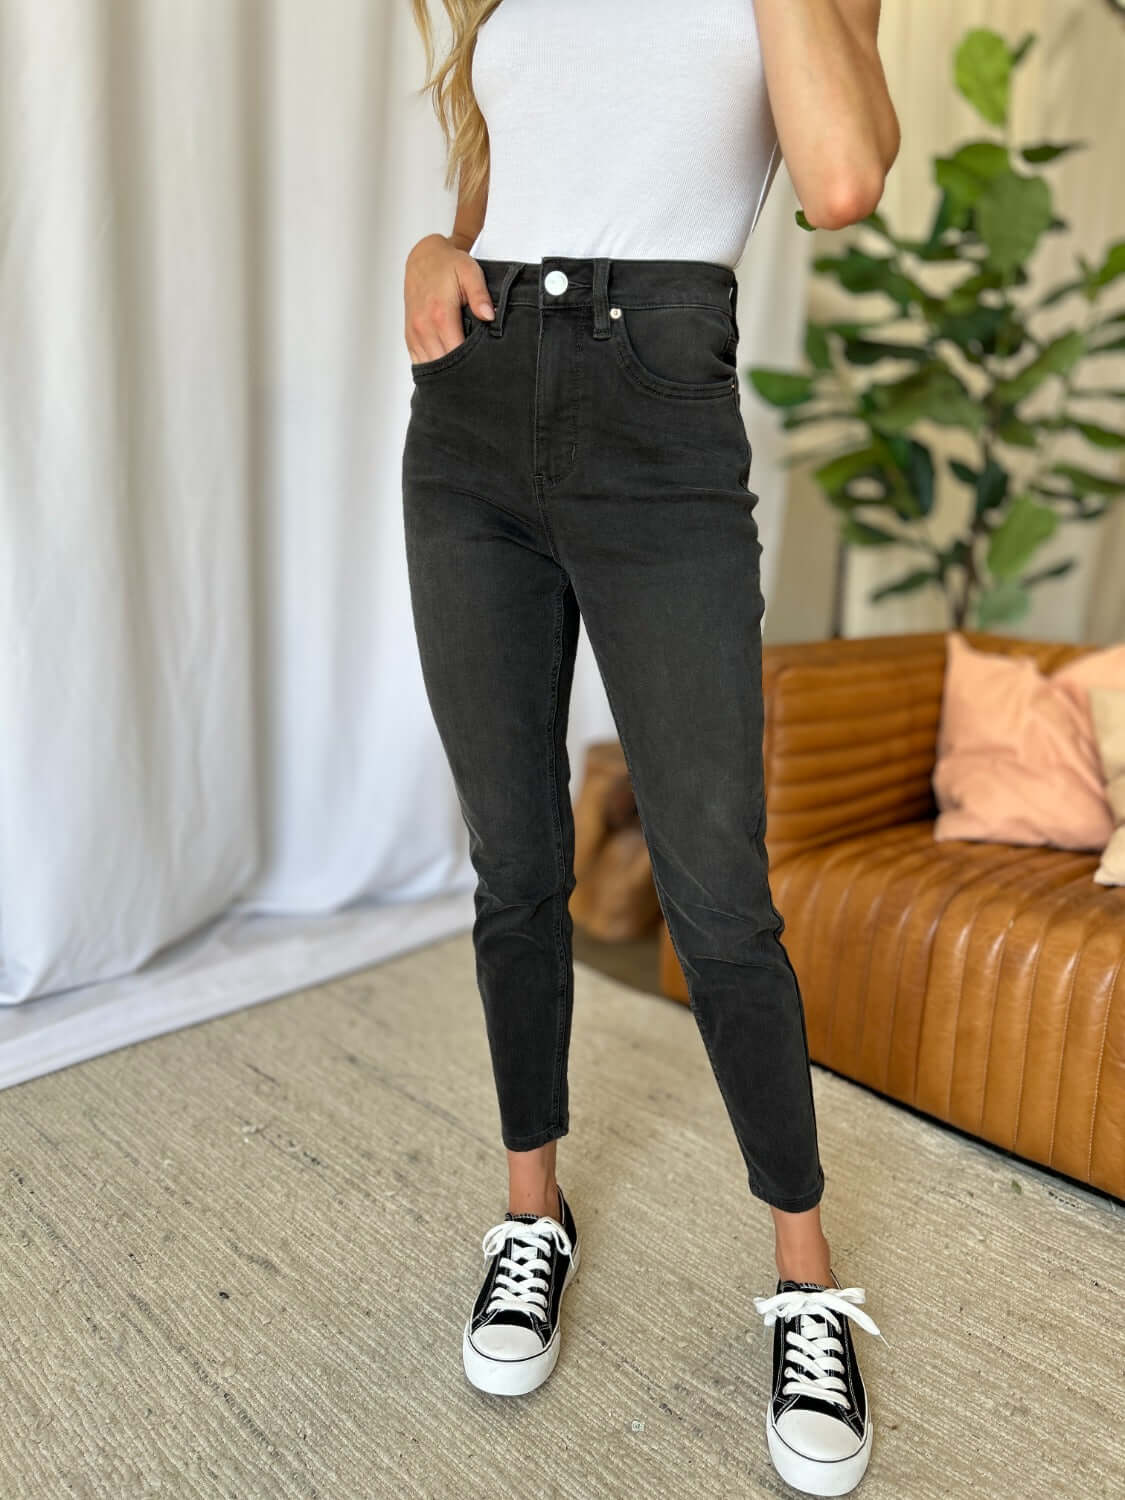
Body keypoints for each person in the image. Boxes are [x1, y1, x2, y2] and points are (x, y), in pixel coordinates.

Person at [402, 1, 899, 1493]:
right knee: (512, 860)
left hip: (657, 408)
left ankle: (806, 1287)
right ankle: (528, 1215)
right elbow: (506, 184)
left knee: (719, 894)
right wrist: (438, 250)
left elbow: (842, 181)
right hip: (471, 420)